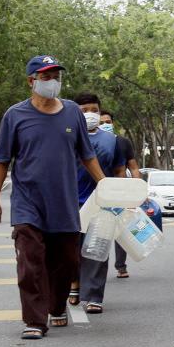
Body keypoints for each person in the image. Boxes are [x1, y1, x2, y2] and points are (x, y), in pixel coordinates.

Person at [0, 55, 106, 340]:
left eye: (55, 76)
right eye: (45, 77)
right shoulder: (15, 115)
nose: (52, 81)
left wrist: (106, 186)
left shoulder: (72, 112)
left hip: (64, 203)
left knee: (67, 262)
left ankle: (56, 306)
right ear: (32, 81)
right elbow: (2, 160)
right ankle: (34, 321)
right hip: (27, 202)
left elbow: (87, 154)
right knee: (30, 262)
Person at [70, 94, 126, 314]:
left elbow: (119, 170)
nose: (89, 114)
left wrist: (119, 197)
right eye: (83, 110)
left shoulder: (112, 140)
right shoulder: (66, 136)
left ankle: (94, 296)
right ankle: (74, 284)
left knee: (97, 250)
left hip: (102, 204)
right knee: (70, 251)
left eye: (94, 110)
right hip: (69, 203)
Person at [99, 110, 139, 278]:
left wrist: (138, 189)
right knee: (99, 231)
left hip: (120, 192)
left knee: (121, 230)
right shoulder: (88, 141)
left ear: (113, 123)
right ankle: (96, 266)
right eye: (101, 123)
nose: (105, 125)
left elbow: (133, 167)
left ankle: (121, 266)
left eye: (108, 122)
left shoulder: (123, 142)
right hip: (98, 193)